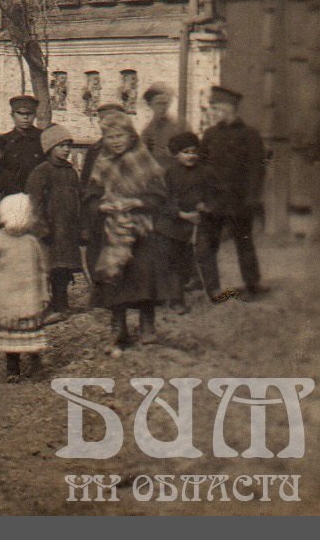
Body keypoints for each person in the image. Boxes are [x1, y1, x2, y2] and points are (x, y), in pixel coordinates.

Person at [83, 110, 168, 352]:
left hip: (142, 230)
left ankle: (147, 325)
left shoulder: (143, 158)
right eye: (110, 137)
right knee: (115, 278)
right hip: (113, 232)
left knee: (143, 275)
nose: (116, 141)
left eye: (121, 135)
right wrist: (101, 205)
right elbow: (90, 194)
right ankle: (118, 327)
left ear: (131, 136)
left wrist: (137, 202)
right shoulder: (101, 162)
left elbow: (160, 195)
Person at [197, 85, 266, 299]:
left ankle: (252, 285)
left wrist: (252, 198)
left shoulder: (250, 134)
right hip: (213, 201)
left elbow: (257, 169)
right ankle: (213, 288)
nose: (214, 113)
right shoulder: (209, 134)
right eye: (213, 108)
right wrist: (202, 197)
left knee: (243, 243)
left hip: (239, 201)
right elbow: (201, 166)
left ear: (231, 108)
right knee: (207, 245)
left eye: (217, 108)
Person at [0, 194, 50, 382]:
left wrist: (43, 291)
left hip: (28, 298)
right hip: (5, 299)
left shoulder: (32, 242)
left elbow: (42, 269)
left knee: (30, 333)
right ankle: (13, 369)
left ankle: (36, 362)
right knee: (11, 337)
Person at [24, 124, 83, 321]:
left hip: (67, 229)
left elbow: (77, 200)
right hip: (49, 232)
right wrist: (41, 228)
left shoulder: (71, 172)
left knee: (64, 270)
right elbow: (33, 203)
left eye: (68, 145)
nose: (66, 149)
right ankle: (46, 306)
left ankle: (62, 303)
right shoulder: (41, 171)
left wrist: (79, 227)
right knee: (49, 269)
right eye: (61, 145)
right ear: (50, 148)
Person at [158, 132, 207, 312]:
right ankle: (176, 300)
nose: (191, 156)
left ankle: (187, 287)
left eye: (194, 151)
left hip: (192, 224)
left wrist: (204, 204)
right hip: (171, 225)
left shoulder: (201, 172)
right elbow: (163, 199)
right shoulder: (170, 173)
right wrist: (182, 214)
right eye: (186, 152)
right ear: (175, 154)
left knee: (186, 262)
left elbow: (209, 192)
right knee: (173, 264)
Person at [0, 95, 45, 195]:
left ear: (35, 115)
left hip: (38, 195)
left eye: (29, 113)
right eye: (20, 113)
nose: (25, 117)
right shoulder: (4, 141)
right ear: (12, 115)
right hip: (12, 196)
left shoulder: (43, 138)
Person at [140, 83, 189, 170]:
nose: (163, 107)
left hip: (178, 173)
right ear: (150, 105)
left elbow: (192, 151)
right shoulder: (147, 131)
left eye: (165, 103)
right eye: (158, 103)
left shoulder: (181, 125)